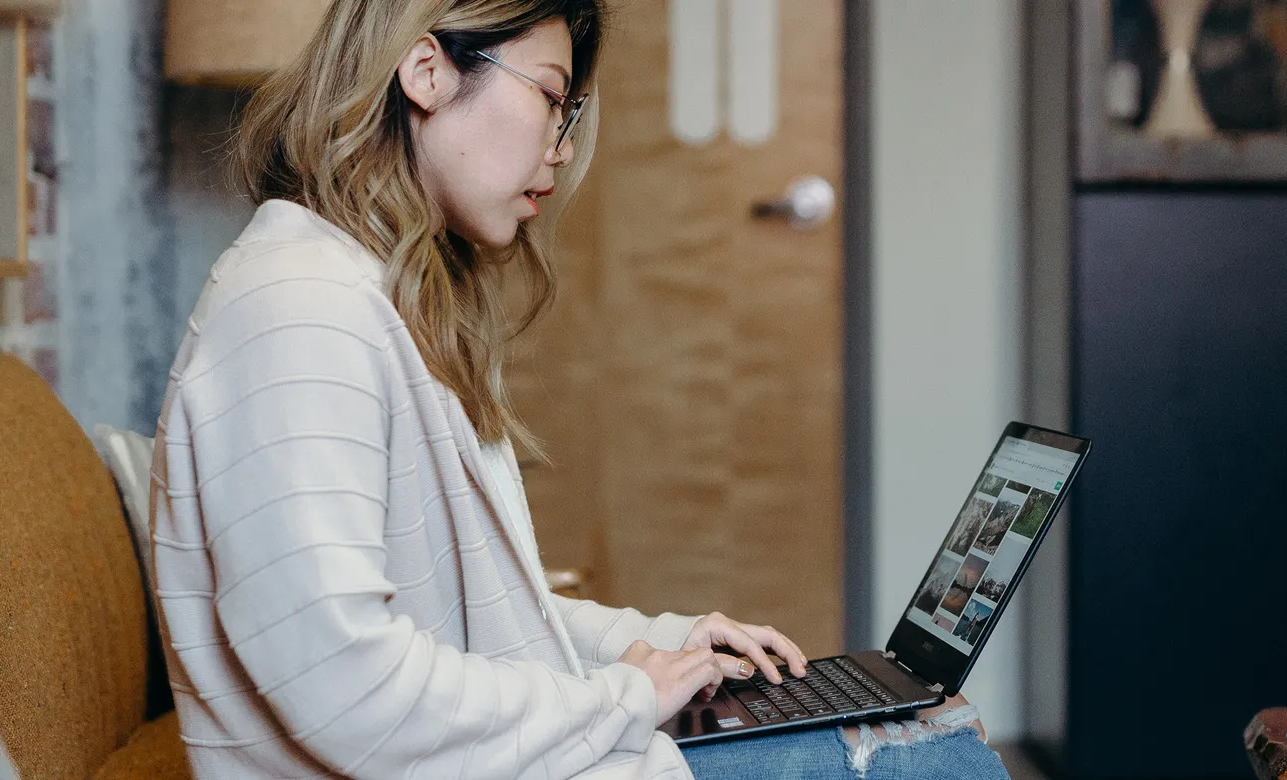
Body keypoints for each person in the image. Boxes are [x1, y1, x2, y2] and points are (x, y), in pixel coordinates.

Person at [149, 1, 1007, 778]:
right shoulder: (297, 313)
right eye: (551, 97)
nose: (560, 149)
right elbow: (345, 685)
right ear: (426, 71)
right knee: (931, 755)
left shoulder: (362, 297)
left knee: (922, 721)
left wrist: (655, 647)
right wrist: (625, 698)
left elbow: (468, 626)